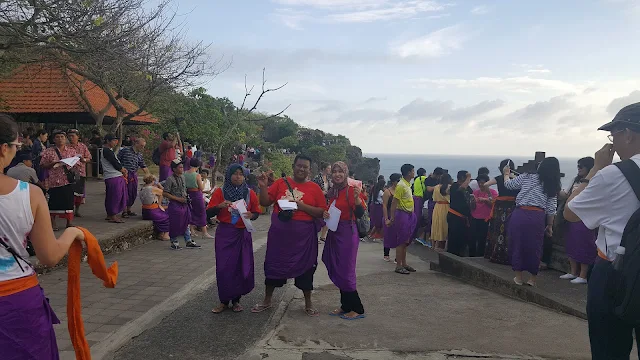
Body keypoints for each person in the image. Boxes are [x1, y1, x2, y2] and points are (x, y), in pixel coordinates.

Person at [0, 114, 87, 359]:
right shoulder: (29, 194)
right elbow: (49, 256)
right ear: (4, 148)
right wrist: (71, 232)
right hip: (15, 301)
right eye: (17, 146)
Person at [563, 103, 640, 359]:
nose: (613, 143)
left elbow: (570, 212)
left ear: (628, 134)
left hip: (616, 273)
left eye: (613, 136)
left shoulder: (614, 175)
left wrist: (596, 169)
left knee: (610, 350)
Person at [252, 155, 326, 316]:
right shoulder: (280, 183)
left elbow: (321, 212)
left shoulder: (315, 188)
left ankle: (308, 302)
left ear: (309, 170)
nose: (302, 169)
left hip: (304, 238)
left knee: (307, 269)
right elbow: (265, 203)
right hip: (280, 237)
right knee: (274, 265)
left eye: (305, 167)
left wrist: (301, 206)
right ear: (293, 166)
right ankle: (267, 300)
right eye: (299, 166)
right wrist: (263, 187)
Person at [208, 164, 261, 313]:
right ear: (229, 175)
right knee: (224, 267)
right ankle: (224, 301)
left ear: (244, 176)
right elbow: (208, 213)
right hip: (225, 234)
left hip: (243, 234)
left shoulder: (250, 193)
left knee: (240, 266)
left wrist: (252, 215)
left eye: (241, 174)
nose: (238, 176)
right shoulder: (220, 192)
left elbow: (256, 212)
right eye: (235, 174)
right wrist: (219, 206)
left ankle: (236, 301)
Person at [503, 157, 560, 286]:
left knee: (517, 243)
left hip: (520, 213)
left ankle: (518, 277)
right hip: (538, 216)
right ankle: (532, 279)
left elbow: (509, 185)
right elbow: (552, 208)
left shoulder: (527, 176)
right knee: (535, 246)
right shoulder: (552, 184)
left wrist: (506, 174)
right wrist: (550, 225)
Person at [322, 161, 366, 320]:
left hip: (348, 233)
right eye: (334, 171)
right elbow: (332, 209)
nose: (337, 174)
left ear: (346, 173)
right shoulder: (334, 191)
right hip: (334, 232)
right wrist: (325, 214)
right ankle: (345, 305)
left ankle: (357, 308)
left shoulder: (351, 190)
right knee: (335, 265)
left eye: (341, 171)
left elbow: (360, 213)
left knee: (346, 270)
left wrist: (357, 199)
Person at [558, 157, 597, 284]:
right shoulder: (575, 180)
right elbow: (566, 194)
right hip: (571, 215)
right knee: (571, 243)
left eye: (582, 166)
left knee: (584, 244)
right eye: (578, 165)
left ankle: (583, 275)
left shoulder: (594, 181)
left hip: (584, 217)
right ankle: (573, 271)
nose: (579, 168)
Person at [483, 159, 520, 264]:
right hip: (512, 206)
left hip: (499, 206)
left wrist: (490, 196)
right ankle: (509, 255)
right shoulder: (516, 178)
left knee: (497, 229)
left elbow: (486, 185)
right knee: (510, 230)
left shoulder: (499, 178)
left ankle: (494, 253)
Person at [40, 130, 78, 231]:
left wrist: (71, 164)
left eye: (62, 137)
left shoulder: (71, 151)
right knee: (53, 202)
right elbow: (42, 164)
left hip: (67, 180)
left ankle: (69, 223)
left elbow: (76, 163)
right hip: (54, 181)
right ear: (53, 139)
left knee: (69, 201)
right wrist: (53, 164)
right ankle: (53, 223)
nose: (60, 139)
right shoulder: (48, 151)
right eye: (57, 137)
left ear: (65, 139)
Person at [162, 160, 201, 250]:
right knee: (175, 222)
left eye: (182, 167)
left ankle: (188, 240)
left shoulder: (183, 177)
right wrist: (178, 199)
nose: (182, 169)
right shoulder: (170, 179)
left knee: (186, 221)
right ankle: (174, 241)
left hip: (184, 204)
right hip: (175, 204)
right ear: (174, 169)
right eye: (180, 167)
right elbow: (165, 193)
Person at [387, 164, 417, 275]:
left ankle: (404, 263)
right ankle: (398, 265)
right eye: (413, 171)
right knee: (401, 240)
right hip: (402, 214)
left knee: (406, 241)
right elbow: (394, 201)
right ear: (409, 172)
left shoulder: (407, 184)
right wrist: (392, 217)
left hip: (409, 214)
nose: (414, 173)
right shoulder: (401, 185)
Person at [117, 138, 150, 218]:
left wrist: (149, 176)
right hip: (125, 173)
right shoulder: (125, 150)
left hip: (134, 174)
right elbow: (117, 160)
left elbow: (143, 165)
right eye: (141, 146)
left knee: (133, 192)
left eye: (143, 146)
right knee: (125, 192)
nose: (142, 148)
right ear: (136, 143)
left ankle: (129, 209)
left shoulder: (139, 154)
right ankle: (124, 211)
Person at [101, 134, 128, 224]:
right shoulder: (106, 151)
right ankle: (113, 215)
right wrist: (122, 169)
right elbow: (114, 162)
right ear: (108, 141)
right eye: (113, 140)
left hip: (111, 176)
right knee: (115, 196)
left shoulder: (108, 150)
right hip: (113, 176)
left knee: (111, 196)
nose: (115, 142)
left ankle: (110, 214)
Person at [185, 158, 213, 238]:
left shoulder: (185, 173)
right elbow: (201, 188)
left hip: (188, 194)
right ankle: (204, 232)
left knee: (191, 211)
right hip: (196, 194)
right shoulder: (197, 175)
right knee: (202, 212)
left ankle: (192, 230)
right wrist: (204, 182)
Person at [67, 129, 92, 218]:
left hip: (80, 173)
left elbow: (89, 158)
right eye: (69, 136)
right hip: (68, 173)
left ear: (78, 137)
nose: (71, 138)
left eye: (73, 136)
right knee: (70, 193)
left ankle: (77, 210)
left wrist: (83, 160)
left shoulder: (82, 146)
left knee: (79, 193)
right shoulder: (66, 147)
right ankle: (70, 211)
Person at [470, 174, 497, 257]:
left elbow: (493, 205)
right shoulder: (475, 192)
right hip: (475, 218)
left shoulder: (492, 192)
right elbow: (472, 207)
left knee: (483, 239)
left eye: (482, 183)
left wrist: (485, 200)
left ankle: (480, 255)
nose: (481, 185)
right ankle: (472, 255)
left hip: (485, 218)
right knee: (472, 238)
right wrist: (473, 202)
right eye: (479, 183)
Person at [447, 171, 472, 256]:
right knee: (453, 238)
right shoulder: (454, 186)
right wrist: (468, 178)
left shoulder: (468, 188)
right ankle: (452, 255)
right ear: (462, 178)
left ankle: (460, 254)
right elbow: (461, 189)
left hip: (464, 217)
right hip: (454, 216)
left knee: (462, 238)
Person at [140, 175, 170, 241]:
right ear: (153, 181)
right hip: (152, 211)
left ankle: (161, 233)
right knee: (167, 217)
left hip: (145, 211)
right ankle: (165, 234)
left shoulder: (143, 188)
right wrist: (159, 185)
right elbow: (164, 193)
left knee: (163, 212)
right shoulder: (153, 188)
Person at [422, 167, 444, 247]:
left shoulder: (439, 180)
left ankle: (435, 240)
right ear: (435, 174)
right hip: (431, 201)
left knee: (437, 221)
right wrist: (438, 186)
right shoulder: (428, 180)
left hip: (439, 201)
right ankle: (427, 239)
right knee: (430, 220)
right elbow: (429, 189)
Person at [382, 174, 401, 261]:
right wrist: (386, 218)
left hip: (398, 215)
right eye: (398, 181)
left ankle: (398, 256)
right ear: (393, 182)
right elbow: (385, 205)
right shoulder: (387, 192)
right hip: (389, 215)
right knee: (388, 235)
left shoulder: (400, 191)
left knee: (399, 236)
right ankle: (386, 254)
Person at [431, 174, 452, 251]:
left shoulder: (436, 187)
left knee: (436, 225)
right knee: (444, 225)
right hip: (446, 207)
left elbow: (434, 198)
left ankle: (433, 245)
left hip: (437, 206)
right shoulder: (449, 187)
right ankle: (442, 246)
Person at [313, 162, 332, 242]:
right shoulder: (317, 178)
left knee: (328, 217)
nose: (329, 170)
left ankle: (323, 236)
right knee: (318, 218)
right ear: (324, 169)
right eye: (328, 168)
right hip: (318, 200)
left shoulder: (328, 179)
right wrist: (321, 192)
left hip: (327, 200)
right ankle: (315, 235)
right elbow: (313, 188)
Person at [412, 168, 428, 244]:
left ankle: (413, 235)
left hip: (415, 198)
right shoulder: (423, 178)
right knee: (418, 218)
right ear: (424, 173)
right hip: (419, 199)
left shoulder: (417, 179)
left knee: (415, 216)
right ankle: (414, 236)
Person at [368, 175, 386, 240]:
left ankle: (372, 235)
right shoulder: (381, 192)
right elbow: (385, 198)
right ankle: (372, 235)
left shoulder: (376, 190)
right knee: (378, 222)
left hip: (375, 206)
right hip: (379, 207)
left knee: (376, 221)